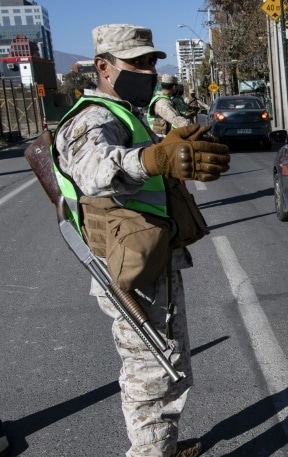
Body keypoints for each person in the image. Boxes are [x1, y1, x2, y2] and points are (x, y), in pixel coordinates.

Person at [53, 23, 230, 457]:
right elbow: (95, 170)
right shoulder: (91, 117)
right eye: (136, 62)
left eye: (152, 61)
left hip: (151, 261)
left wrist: (167, 146)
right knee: (152, 373)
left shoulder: (127, 113)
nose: (148, 70)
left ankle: (162, 449)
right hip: (129, 274)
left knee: (170, 367)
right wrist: (155, 156)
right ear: (103, 67)